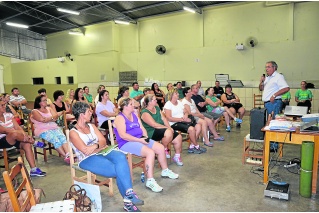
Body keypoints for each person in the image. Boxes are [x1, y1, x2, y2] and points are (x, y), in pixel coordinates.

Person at [70, 102, 143, 212]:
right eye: (89, 111)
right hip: (86, 159)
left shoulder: (92, 126)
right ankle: (128, 201)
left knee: (121, 156)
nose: (91, 113)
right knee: (118, 170)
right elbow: (85, 151)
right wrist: (98, 146)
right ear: (81, 114)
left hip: (102, 151)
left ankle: (129, 192)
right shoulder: (73, 132)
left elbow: (103, 141)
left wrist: (95, 146)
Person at [113, 97, 179, 193]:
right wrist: (139, 140)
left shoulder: (134, 115)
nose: (134, 106)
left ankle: (165, 170)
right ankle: (150, 180)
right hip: (126, 143)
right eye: (131, 104)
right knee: (150, 153)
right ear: (125, 106)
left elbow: (142, 128)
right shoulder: (120, 118)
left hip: (139, 139)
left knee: (160, 148)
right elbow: (123, 135)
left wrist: (145, 137)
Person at [0, 99, 46, 177]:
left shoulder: (8, 115)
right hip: (2, 140)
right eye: (2, 105)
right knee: (13, 133)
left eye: (4, 105)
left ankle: (33, 169)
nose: (5, 107)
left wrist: (24, 134)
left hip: (16, 138)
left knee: (26, 144)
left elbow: (17, 127)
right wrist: (16, 132)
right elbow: (4, 130)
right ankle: (34, 142)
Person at [141, 94, 183, 166]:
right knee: (168, 132)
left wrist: (169, 127)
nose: (156, 101)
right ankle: (164, 148)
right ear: (149, 102)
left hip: (161, 129)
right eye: (154, 100)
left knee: (178, 137)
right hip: (151, 131)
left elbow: (164, 119)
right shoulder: (145, 112)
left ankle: (177, 156)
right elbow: (154, 124)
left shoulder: (157, 108)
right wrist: (167, 128)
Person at [259, 61, 290, 152]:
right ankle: (270, 143)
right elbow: (261, 89)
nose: (266, 69)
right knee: (268, 123)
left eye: (268, 67)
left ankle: (274, 146)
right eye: (266, 67)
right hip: (267, 103)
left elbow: (286, 88)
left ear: (274, 68)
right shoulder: (268, 78)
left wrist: (274, 95)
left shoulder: (278, 77)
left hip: (274, 103)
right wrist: (261, 82)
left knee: (273, 124)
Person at [164, 89, 206, 154]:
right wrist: (182, 119)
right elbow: (169, 118)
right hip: (174, 123)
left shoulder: (179, 102)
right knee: (191, 129)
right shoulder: (168, 104)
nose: (178, 94)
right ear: (172, 95)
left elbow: (185, 111)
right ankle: (197, 146)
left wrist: (186, 115)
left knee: (198, 126)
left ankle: (192, 146)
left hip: (182, 120)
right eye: (176, 93)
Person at [31, 95, 70, 164]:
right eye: (44, 100)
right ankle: (65, 156)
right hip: (42, 129)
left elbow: (56, 117)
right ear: (39, 102)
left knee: (62, 137)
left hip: (53, 127)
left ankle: (68, 154)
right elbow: (42, 120)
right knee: (55, 139)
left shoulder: (49, 108)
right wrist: (51, 118)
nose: (46, 101)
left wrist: (48, 119)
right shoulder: (35, 111)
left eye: (46, 100)